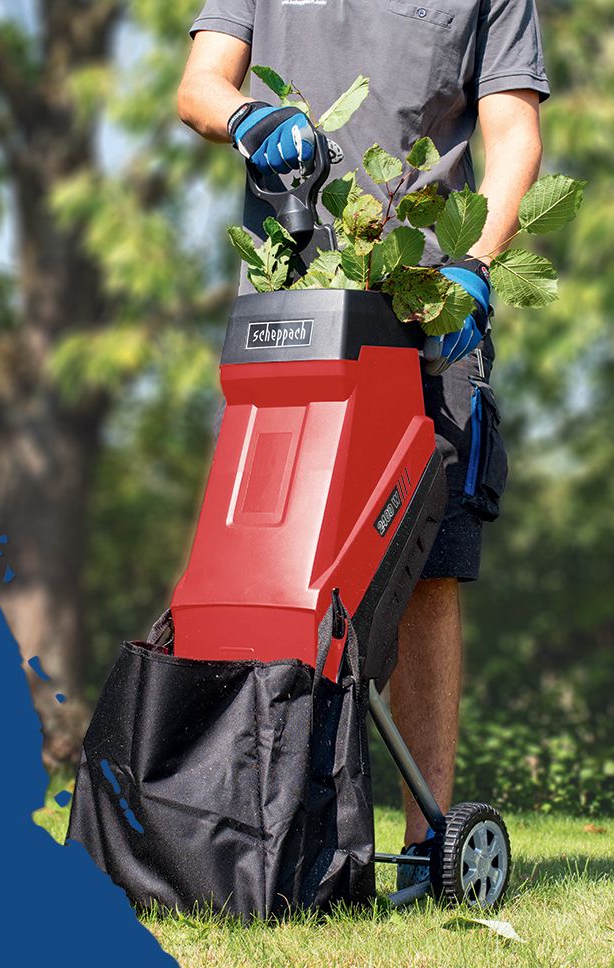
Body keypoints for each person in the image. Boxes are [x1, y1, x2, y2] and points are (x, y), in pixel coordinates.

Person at [175, 0, 548, 888]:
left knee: (429, 560)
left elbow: (514, 135)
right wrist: (247, 116)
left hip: (427, 301)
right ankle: (254, 822)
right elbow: (199, 85)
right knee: (268, 557)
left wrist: (476, 262)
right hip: (290, 301)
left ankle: (428, 849)